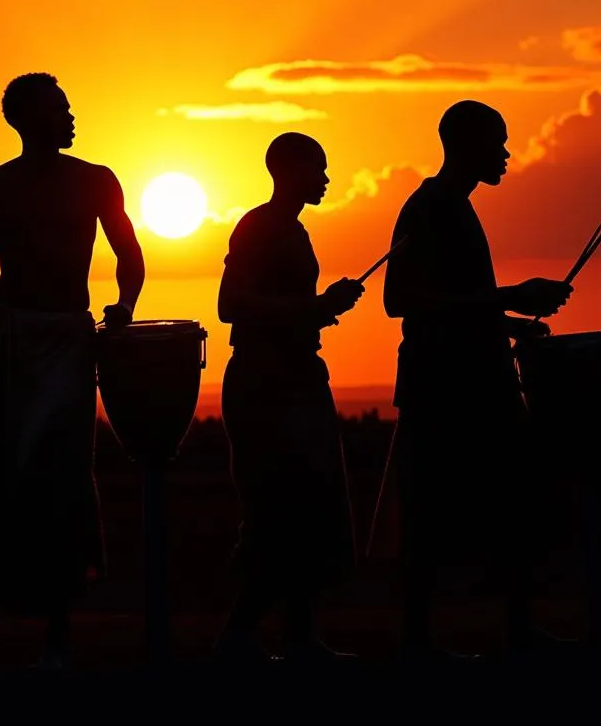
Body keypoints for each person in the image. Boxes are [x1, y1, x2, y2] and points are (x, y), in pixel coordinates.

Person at [0, 72, 144, 670]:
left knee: (56, 479)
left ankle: (57, 641)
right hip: (4, 339)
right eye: (60, 109)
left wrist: (123, 307)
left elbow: (130, 256)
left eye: (69, 106)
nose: (71, 117)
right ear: (28, 118)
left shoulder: (97, 182)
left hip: (68, 338)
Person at [382, 99, 572, 657]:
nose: (507, 154)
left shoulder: (452, 207)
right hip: (445, 388)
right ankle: (422, 641)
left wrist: (512, 324)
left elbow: (452, 303)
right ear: (466, 146)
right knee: (434, 515)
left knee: (505, 507)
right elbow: (401, 300)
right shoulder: (430, 208)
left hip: (474, 381)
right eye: (498, 142)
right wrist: (512, 297)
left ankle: (513, 631)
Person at [214, 132, 364, 663]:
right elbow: (231, 305)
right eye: (318, 169)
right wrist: (315, 307)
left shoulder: (293, 230)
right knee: (277, 510)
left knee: (310, 507)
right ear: (289, 169)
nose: (325, 179)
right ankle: (238, 635)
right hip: (265, 383)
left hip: (297, 375)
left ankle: (299, 638)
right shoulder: (259, 227)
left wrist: (320, 307)